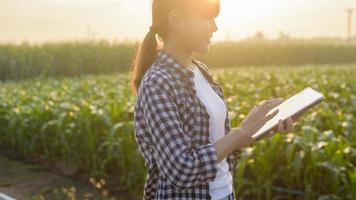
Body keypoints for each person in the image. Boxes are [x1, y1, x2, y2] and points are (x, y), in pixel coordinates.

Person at [131, 0, 295, 199]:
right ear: (175, 19)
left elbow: (217, 145)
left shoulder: (201, 71)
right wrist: (239, 132)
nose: (215, 27)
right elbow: (180, 168)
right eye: (206, 18)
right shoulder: (157, 83)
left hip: (225, 193)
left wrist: (254, 131)